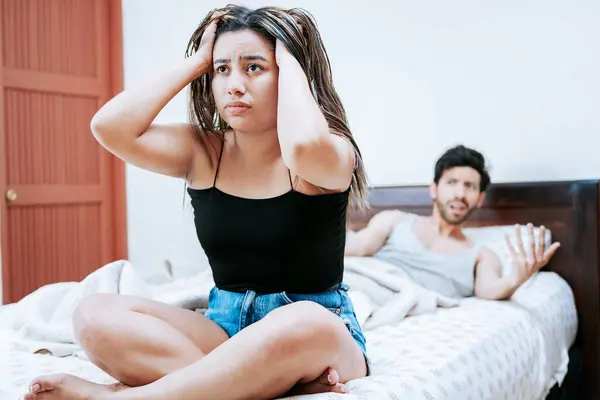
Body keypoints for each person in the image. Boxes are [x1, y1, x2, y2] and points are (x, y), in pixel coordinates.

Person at [25, 5, 370, 400]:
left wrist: (292, 56)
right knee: (93, 314)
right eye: (223, 70)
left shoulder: (331, 153)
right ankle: (257, 384)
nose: (233, 84)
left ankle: (121, 398)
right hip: (223, 329)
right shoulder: (204, 152)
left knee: (304, 320)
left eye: (254, 68)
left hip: (315, 334)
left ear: (290, 75)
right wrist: (198, 61)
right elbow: (108, 127)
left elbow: (305, 144)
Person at [345, 145, 561, 301]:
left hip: (400, 304)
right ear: (434, 189)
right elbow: (357, 246)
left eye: (470, 186)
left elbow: (489, 289)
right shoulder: (394, 220)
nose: (460, 193)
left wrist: (515, 278)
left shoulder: (481, 255)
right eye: (452, 183)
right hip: (357, 289)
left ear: (480, 198)